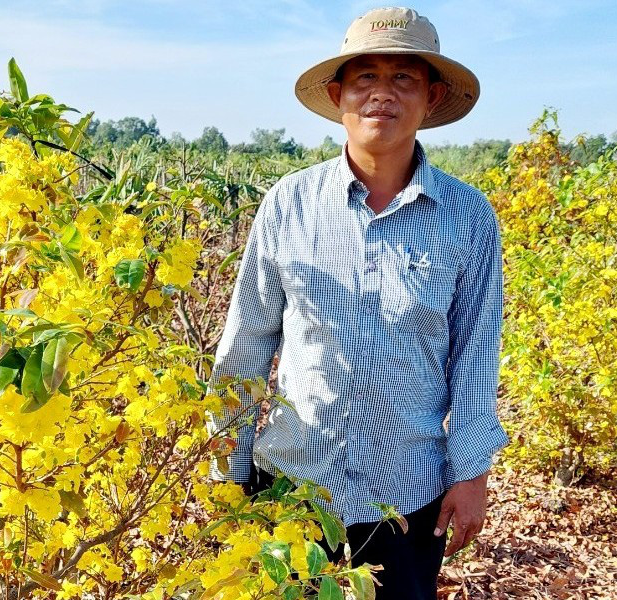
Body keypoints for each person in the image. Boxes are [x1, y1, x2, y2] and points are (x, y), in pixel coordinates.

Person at [205, 6, 510, 598]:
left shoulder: (469, 218)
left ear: (431, 96)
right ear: (338, 93)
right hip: (294, 483)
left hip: (407, 491)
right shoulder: (287, 204)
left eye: (404, 79)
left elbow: (476, 352)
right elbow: (246, 342)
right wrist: (227, 466)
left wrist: (471, 472)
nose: (382, 96)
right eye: (365, 77)